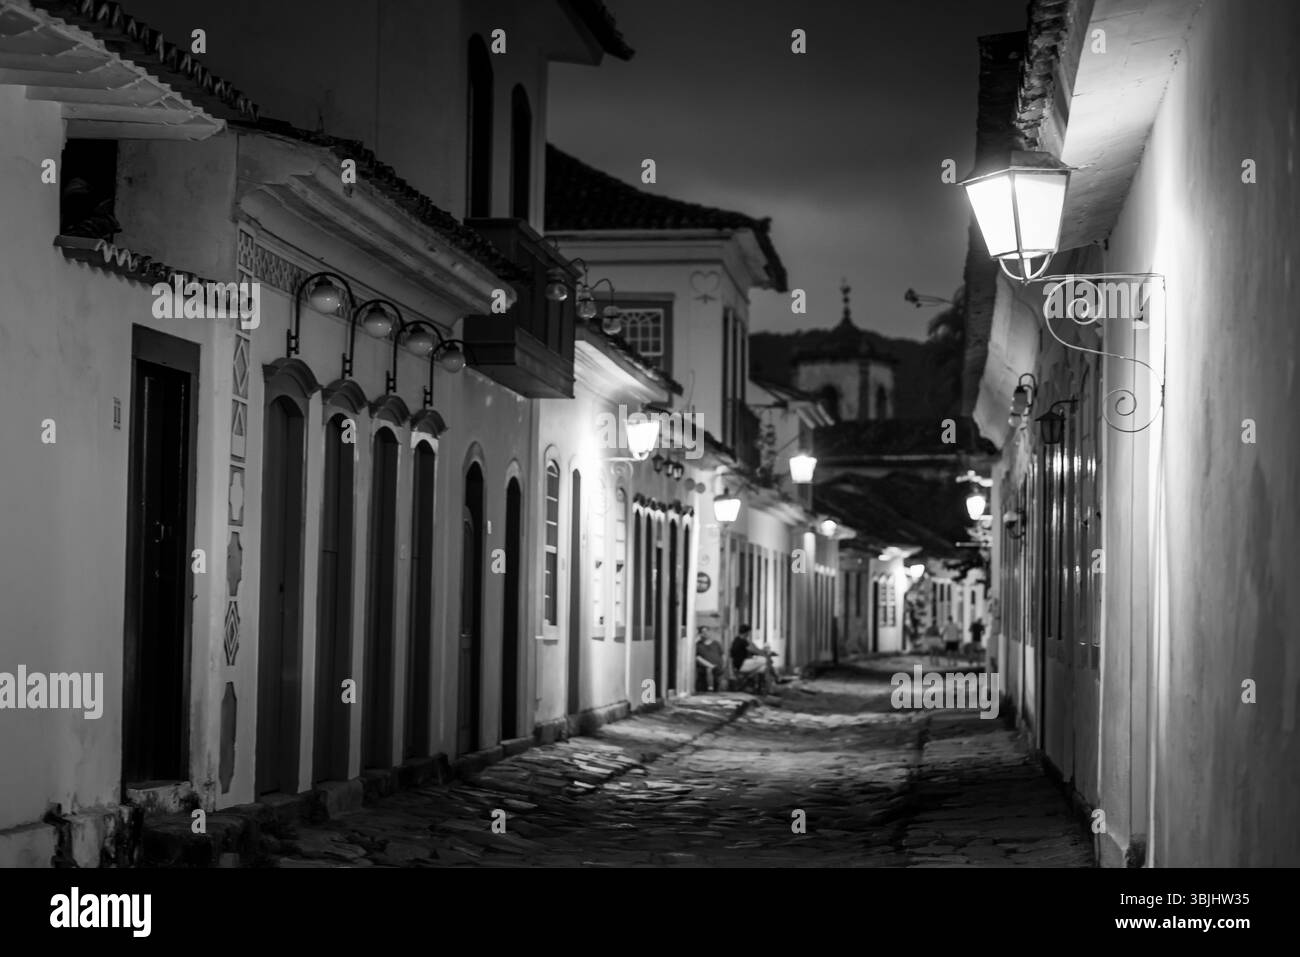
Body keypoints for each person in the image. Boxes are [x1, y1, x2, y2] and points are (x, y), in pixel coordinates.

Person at [695, 626, 724, 692]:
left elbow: (722, 655)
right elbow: (697, 657)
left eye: (707, 631)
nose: (705, 633)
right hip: (705, 669)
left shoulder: (716, 643)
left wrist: (723, 665)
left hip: (718, 668)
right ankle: (709, 688)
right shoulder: (698, 644)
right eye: (703, 632)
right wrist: (709, 665)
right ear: (700, 634)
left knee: (718, 687)